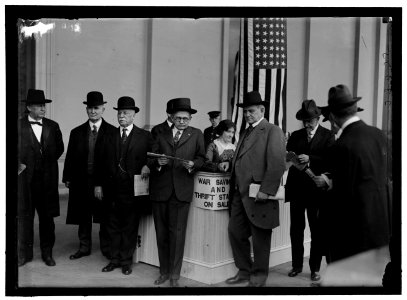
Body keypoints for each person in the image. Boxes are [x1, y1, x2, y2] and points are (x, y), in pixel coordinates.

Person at [323, 84, 390, 262]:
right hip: (382, 226)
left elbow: (342, 198)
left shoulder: (341, 146)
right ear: (354, 109)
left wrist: (328, 186)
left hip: (354, 236)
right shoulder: (379, 135)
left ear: (332, 116)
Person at [226, 91, 286, 287]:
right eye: (245, 112)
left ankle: (259, 276)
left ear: (262, 110)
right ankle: (244, 271)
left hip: (259, 194)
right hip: (240, 193)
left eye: (251, 111)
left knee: (260, 237)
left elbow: (277, 163)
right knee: (235, 232)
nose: (247, 115)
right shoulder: (244, 132)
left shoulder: (272, 130)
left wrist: (266, 190)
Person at [149, 98, 205, 287]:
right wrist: (158, 162)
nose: (182, 122)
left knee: (177, 235)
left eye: (185, 119)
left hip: (181, 191)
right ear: (172, 118)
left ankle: (174, 276)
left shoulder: (197, 134)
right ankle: (164, 271)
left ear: (190, 119)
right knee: (162, 233)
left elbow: (202, 158)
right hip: (160, 191)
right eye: (178, 118)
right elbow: (150, 157)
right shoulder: (159, 132)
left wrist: (193, 165)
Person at [94, 96, 153, 275]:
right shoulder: (108, 135)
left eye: (125, 113)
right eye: (119, 113)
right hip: (112, 189)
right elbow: (99, 162)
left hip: (132, 190)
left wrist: (147, 165)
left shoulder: (145, 136)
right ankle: (114, 259)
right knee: (112, 225)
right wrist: (98, 185)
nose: (121, 116)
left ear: (133, 115)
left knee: (129, 226)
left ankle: (126, 261)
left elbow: (153, 155)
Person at [284, 99, 334, 282]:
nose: (306, 124)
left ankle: (314, 269)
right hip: (297, 189)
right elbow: (289, 156)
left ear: (318, 118)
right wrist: (293, 157)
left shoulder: (328, 136)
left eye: (310, 120)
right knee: (295, 230)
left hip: (316, 191)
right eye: (304, 120)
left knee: (316, 231)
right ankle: (296, 266)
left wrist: (310, 158)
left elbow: (330, 160)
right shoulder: (296, 135)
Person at [62, 91, 116, 261]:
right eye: (90, 108)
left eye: (96, 108)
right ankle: (84, 247)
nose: (93, 111)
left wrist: (105, 182)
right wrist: (68, 177)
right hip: (81, 180)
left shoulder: (112, 132)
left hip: (104, 181)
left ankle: (106, 248)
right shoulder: (76, 132)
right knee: (83, 214)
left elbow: (113, 160)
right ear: (86, 109)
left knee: (105, 215)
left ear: (103, 109)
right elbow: (70, 156)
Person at [17, 89, 64, 267]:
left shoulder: (53, 126)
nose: (43, 109)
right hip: (24, 183)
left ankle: (47, 254)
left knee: (47, 220)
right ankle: (24, 254)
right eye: (38, 106)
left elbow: (59, 148)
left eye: (44, 105)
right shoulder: (18, 125)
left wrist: (46, 157)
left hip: (47, 182)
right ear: (29, 107)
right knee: (24, 218)